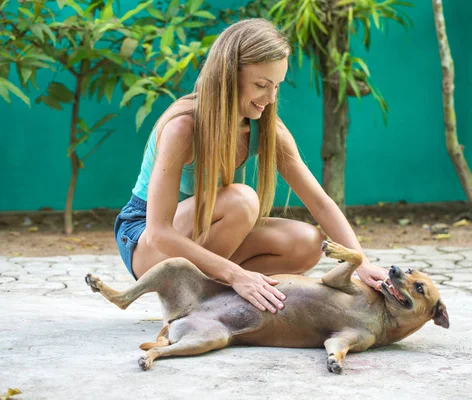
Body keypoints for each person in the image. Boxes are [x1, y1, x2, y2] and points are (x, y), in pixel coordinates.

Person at [114, 18, 388, 314]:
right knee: (242, 200)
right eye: (261, 85)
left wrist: (359, 261)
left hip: (206, 236)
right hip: (146, 241)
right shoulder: (183, 127)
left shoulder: (266, 128)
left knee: (308, 242)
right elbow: (158, 232)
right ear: (228, 76)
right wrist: (236, 274)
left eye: (276, 87)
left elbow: (320, 204)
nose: (270, 99)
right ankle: (200, 293)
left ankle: (212, 294)